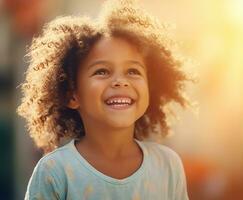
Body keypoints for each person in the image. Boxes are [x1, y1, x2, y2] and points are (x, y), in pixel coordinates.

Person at [17, 0, 190, 199]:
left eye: (133, 71)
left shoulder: (168, 165)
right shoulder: (55, 171)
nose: (120, 81)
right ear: (72, 95)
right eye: (102, 71)